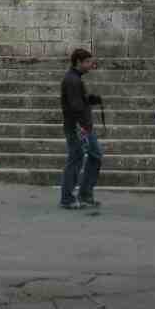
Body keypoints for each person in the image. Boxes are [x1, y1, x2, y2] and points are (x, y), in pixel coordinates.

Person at [59, 48, 103, 211]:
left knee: (95, 155)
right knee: (76, 158)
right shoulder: (72, 80)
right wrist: (82, 127)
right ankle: (67, 198)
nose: (91, 65)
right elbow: (74, 107)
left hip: (83, 126)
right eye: (88, 62)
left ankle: (84, 194)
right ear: (79, 62)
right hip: (78, 126)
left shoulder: (76, 79)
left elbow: (78, 102)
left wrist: (89, 100)